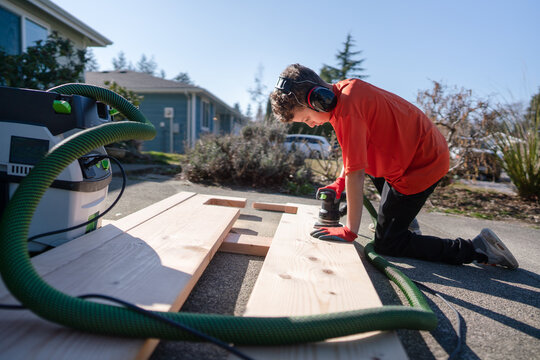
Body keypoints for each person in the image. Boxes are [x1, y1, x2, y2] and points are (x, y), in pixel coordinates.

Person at [270, 63, 518, 269]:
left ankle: (477, 249)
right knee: (374, 181)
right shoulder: (343, 95)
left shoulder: (348, 111)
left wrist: (350, 231)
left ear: (318, 100)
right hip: (412, 153)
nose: (311, 125)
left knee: (388, 244)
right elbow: (352, 157)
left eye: (306, 118)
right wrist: (339, 182)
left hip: (421, 164)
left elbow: (356, 173)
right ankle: (405, 222)